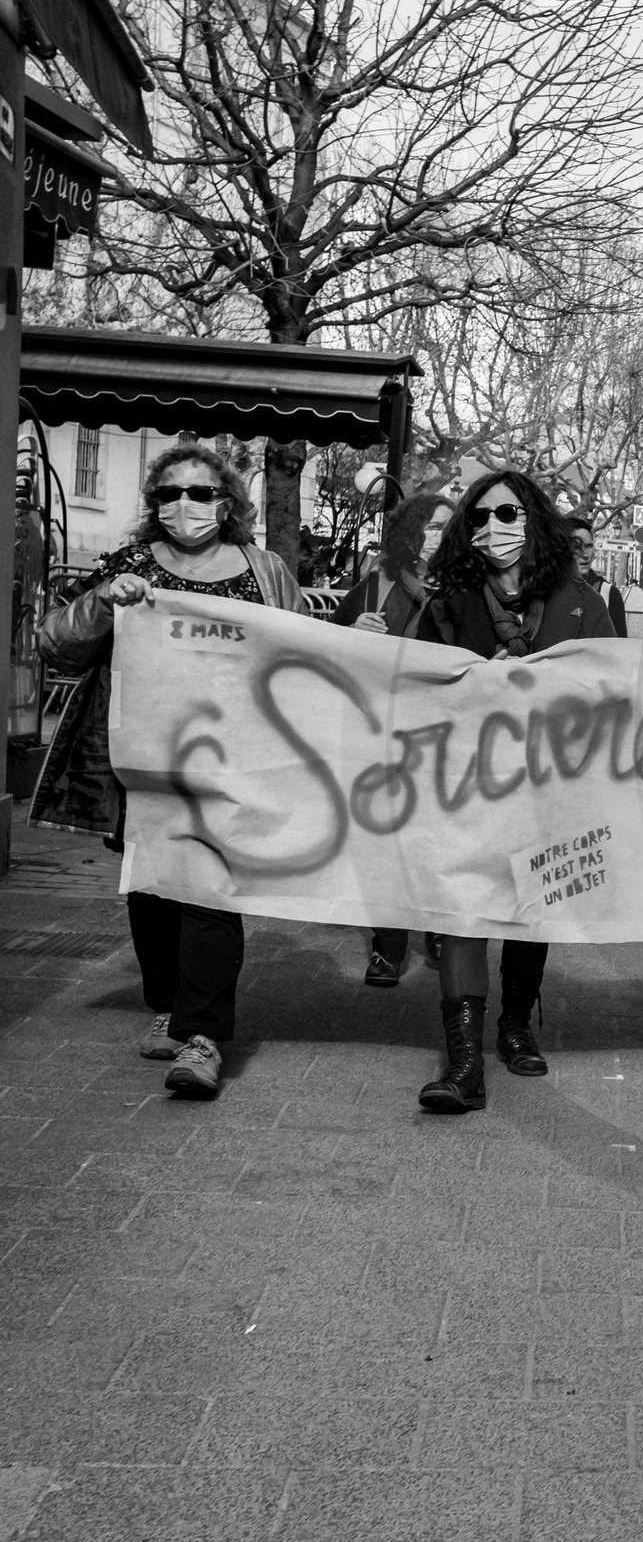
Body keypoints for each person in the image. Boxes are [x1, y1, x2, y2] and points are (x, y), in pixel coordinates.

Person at [34, 444, 304, 1097]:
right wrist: (106, 599)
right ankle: (169, 1000)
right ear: (154, 506)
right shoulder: (130, 566)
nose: (185, 506)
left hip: (229, 758)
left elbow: (300, 648)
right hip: (140, 758)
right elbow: (55, 639)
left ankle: (203, 1035)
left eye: (201, 493)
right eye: (169, 494)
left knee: (209, 888)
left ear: (227, 503)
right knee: (153, 887)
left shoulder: (261, 568)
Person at [413, 470, 616, 1111]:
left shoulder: (581, 602)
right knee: (463, 911)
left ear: (535, 521)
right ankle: (465, 1065)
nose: (492, 528)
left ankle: (516, 1024)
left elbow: (613, 690)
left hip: (549, 785)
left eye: (507, 513)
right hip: (467, 785)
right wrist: (478, 687)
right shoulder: (446, 604)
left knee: (532, 906)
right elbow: (418, 692)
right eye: (478, 517)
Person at [331, 492, 454, 986]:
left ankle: (441, 929)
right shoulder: (377, 582)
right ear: (410, 532)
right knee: (390, 839)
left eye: (447, 525)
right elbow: (331, 642)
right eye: (431, 525)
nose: (438, 535)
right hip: (387, 729)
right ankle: (388, 946)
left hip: (444, 730)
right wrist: (352, 629)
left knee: (440, 838)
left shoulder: (464, 582)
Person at [566, 517, 629, 637]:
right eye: (577, 546)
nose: (585, 554)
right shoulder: (545, 591)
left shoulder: (609, 593)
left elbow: (619, 647)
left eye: (589, 546)